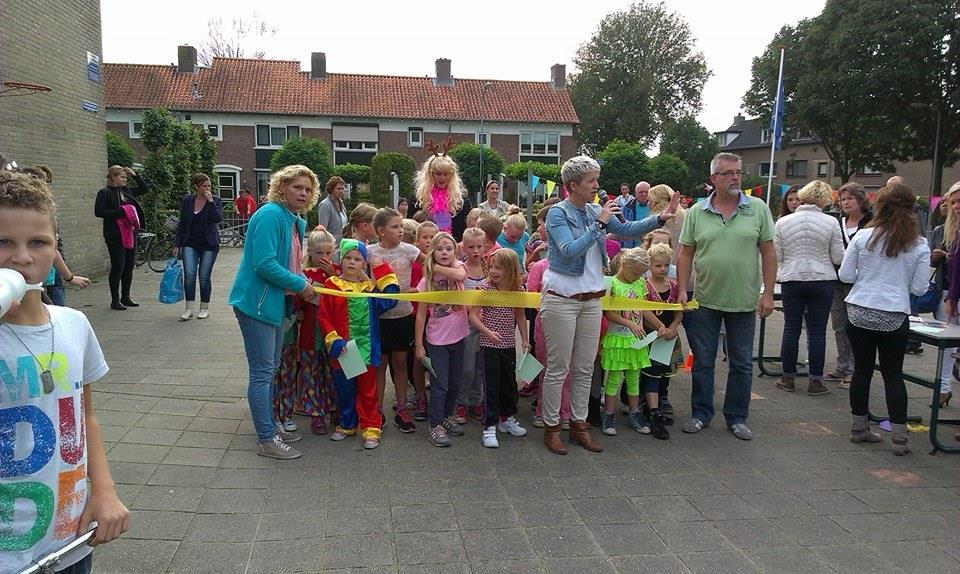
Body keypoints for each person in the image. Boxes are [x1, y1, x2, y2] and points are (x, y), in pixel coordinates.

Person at [1, 170, 129, 574]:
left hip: (68, 540)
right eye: (3, 242)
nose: (22, 257)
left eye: (37, 242)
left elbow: (84, 413)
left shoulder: (74, 324)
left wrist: (104, 489)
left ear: (55, 246)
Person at [539, 156, 678, 455]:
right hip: (561, 300)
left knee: (585, 367)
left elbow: (627, 229)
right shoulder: (558, 214)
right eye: (592, 180)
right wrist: (599, 223)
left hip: (592, 301)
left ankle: (579, 425)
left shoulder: (594, 210)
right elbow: (568, 251)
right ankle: (552, 428)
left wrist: (659, 219)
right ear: (572, 185)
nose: (597, 186)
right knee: (558, 369)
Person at [677, 152, 776, 441]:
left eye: (738, 172)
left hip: (744, 300)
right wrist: (683, 288)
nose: (736, 177)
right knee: (704, 360)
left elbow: (768, 251)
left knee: (742, 362)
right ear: (714, 179)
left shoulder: (757, 208)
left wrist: (768, 293)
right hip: (705, 299)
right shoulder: (697, 212)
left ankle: (737, 417)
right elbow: (685, 253)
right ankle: (701, 413)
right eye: (729, 173)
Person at [228, 164, 319, 460]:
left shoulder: (292, 219)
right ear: (281, 187)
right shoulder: (270, 215)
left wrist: (302, 279)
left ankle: (269, 427)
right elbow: (264, 264)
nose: (303, 193)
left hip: (275, 303)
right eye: (297, 187)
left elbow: (290, 262)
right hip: (257, 303)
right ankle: (266, 438)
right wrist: (301, 285)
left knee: (271, 369)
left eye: (307, 189)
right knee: (263, 372)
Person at [839, 183, 930, 455]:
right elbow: (919, 289)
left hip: (859, 309)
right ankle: (900, 438)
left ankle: (858, 428)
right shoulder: (919, 244)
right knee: (893, 374)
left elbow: (845, 276)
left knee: (862, 371)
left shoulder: (863, 237)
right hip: (893, 313)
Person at [318, 239, 400, 449]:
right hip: (345, 349)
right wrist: (333, 339)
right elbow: (324, 316)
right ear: (341, 260)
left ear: (364, 264)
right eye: (348, 258)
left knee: (368, 391)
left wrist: (381, 268)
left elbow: (390, 300)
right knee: (346, 389)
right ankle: (347, 424)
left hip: (366, 349)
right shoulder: (333, 286)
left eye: (358, 259)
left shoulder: (369, 289)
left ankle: (371, 427)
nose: (352, 262)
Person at [773, 180, 845, 395]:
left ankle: (787, 377)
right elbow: (838, 256)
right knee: (817, 332)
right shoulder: (831, 223)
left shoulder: (783, 222)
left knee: (791, 328)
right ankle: (815, 381)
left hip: (792, 279)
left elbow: (777, 255)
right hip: (822, 279)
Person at [367, 207, 425, 433]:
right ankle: (377, 410)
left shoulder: (409, 250)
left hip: (402, 316)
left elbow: (431, 266)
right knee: (379, 365)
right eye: (395, 227)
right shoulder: (369, 252)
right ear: (380, 231)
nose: (401, 230)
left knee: (401, 364)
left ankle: (402, 409)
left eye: (401, 226)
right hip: (379, 317)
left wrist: (419, 288)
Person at [414, 232, 469, 447]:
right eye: (439, 249)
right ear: (432, 251)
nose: (444, 252)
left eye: (448, 248)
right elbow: (420, 314)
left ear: (455, 251)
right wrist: (419, 345)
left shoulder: (459, 267)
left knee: (455, 383)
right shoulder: (425, 280)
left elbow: (460, 277)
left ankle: (446, 416)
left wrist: (434, 267)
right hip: (437, 341)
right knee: (440, 385)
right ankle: (435, 424)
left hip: (459, 336)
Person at [599, 248, 656, 436]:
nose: (638, 276)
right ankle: (608, 414)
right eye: (635, 272)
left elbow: (644, 309)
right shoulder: (611, 284)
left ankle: (634, 413)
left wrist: (659, 325)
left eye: (641, 273)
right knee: (613, 379)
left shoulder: (640, 284)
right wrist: (629, 323)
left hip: (636, 341)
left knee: (634, 379)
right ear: (624, 265)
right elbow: (608, 312)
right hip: (617, 339)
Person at [824, 182, 873, 387]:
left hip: (861, 283)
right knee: (839, 325)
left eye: (849, 198)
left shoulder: (872, 223)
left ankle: (855, 369)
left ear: (861, 200)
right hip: (838, 280)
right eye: (842, 199)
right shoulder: (839, 222)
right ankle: (842, 365)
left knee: (857, 327)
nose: (845, 202)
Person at [294, 228, 338, 435]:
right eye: (320, 253)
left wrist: (333, 275)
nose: (324, 258)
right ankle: (315, 414)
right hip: (311, 334)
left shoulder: (338, 272)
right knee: (311, 374)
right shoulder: (304, 275)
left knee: (332, 372)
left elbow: (345, 297)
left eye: (328, 253)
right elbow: (297, 301)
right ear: (310, 252)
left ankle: (334, 408)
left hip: (333, 334)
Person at [641, 243, 684, 439]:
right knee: (651, 374)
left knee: (665, 374)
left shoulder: (673, 285)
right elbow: (643, 309)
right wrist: (659, 327)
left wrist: (673, 327)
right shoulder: (645, 286)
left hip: (669, 337)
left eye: (666, 265)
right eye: (658, 266)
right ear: (650, 265)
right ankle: (653, 411)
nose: (663, 269)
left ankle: (660, 403)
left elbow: (679, 310)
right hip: (653, 336)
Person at [94, 165, 149, 310]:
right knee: (118, 266)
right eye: (122, 177)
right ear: (113, 177)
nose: (125, 179)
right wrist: (120, 212)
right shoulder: (104, 192)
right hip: (114, 235)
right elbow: (99, 212)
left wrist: (135, 175)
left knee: (129, 265)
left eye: (126, 177)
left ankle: (126, 296)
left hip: (130, 232)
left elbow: (144, 189)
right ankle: (115, 300)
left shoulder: (126, 191)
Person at [172, 173, 223, 321]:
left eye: (209, 186)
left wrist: (211, 201)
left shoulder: (216, 200)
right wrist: (177, 243)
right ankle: (189, 309)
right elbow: (182, 223)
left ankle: (204, 308)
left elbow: (217, 218)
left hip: (209, 243)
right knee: (189, 274)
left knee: (204, 276)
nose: (207, 188)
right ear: (196, 186)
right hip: (190, 242)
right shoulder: (188, 200)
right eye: (204, 186)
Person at [456, 227, 489, 424]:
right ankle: (461, 402)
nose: (476, 251)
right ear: (463, 247)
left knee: (481, 365)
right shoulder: (461, 269)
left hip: (486, 323)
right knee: (466, 366)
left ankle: (477, 400)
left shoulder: (488, 268)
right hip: (466, 324)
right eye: (471, 247)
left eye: (479, 246)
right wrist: (472, 310)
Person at [412, 142, 472, 241]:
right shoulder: (418, 200)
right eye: (438, 174)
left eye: (446, 174)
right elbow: (413, 230)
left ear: (451, 175)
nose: (442, 178)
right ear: (431, 174)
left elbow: (465, 232)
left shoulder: (461, 202)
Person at [936, 181, 960, 406]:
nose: (955, 206)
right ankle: (943, 389)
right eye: (953, 202)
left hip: (953, 295)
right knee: (948, 347)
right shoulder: (951, 231)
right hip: (951, 294)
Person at [317, 176, 349, 242]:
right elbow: (322, 230)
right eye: (338, 189)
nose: (341, 191)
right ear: (331, 189)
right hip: (331, 246)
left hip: (342, 244)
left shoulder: (341, 203)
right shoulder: (325, 205)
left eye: (342, 189)